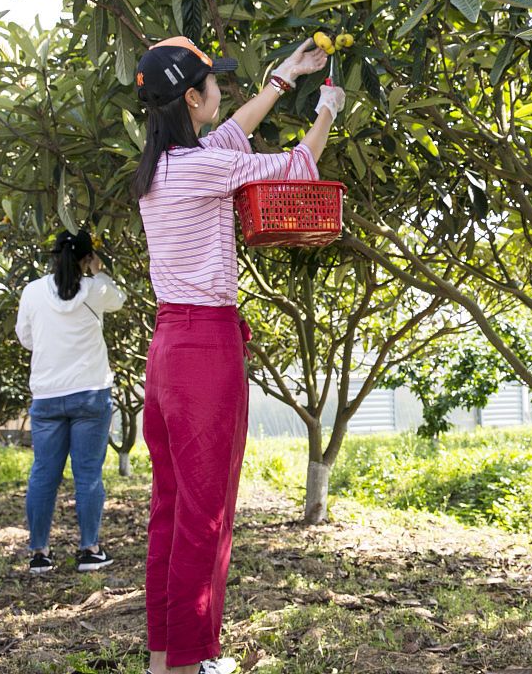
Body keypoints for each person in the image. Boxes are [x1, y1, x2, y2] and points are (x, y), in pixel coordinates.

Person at [132, 35, 343, 674]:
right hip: (204, 349)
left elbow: (229, 137)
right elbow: (296, 167)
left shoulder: (167, 164)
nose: (222, 93)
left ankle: (165, 654)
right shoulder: (196, 169)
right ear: (192, 98)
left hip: (170, 347)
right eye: (214, 85)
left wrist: (283, 79)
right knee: (207, 510)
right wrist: (327, 109)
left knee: (172, 508)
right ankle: (191, 661)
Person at [15, 229, 127, 574]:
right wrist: (98, 270)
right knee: (88, 474)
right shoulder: (96, 289)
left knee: (43, 474)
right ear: (86, 259)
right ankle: (89, 549)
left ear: (54, 257)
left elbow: (26, 338)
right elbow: (120, 299)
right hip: (90, 394)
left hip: (48, 396)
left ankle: (39, 553)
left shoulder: (33, 291)